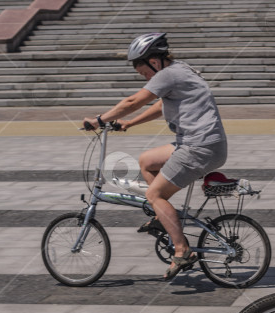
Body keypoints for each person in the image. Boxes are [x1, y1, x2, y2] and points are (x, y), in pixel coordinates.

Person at [82, 32, 228, 279]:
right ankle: (163, 217)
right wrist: (129, 123)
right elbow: (160, 106)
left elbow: (133, 100)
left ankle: (182, 250)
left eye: (144, 72)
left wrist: (99, 120)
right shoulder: (180, 71)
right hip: (201, 142)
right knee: (146, 161)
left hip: (199, 146)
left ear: (154, 60)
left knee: (154, 194)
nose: (146, 78)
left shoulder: (168, 74)